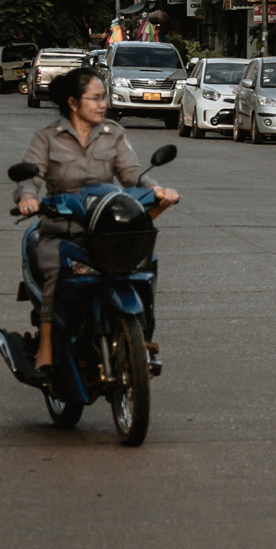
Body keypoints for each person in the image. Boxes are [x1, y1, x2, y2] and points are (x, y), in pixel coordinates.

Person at [14, 66, 179, 369]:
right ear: (73, 103)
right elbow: (30, 177)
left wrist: (156, 190)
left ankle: (142, 335)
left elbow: (131, 174)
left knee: (146, 263)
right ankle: (46, 349)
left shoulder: (113, 134)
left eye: (104, 97)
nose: (103, 104)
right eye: (96, 98)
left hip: (106, 227)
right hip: (63, 227)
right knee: (56, 271)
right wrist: (27, 198)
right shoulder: (47, 137)